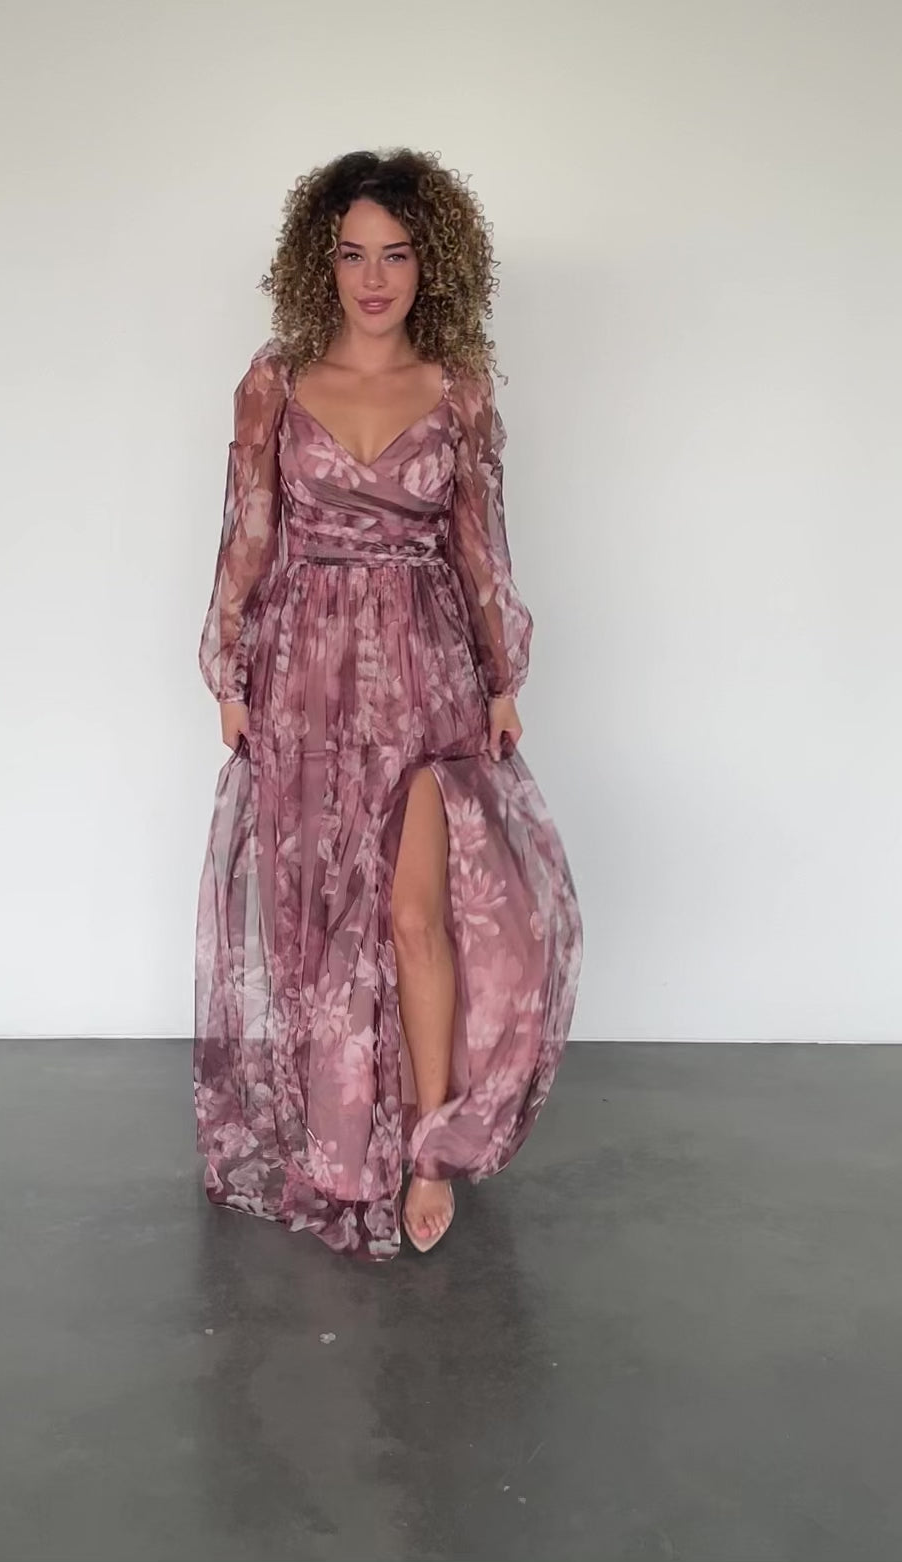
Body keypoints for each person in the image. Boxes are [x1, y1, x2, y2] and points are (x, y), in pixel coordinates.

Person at [194, 148, 583, 1260]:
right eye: (354, 254)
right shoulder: (275, 381)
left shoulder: (458, 388)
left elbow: (478, 541)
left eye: (397, 255)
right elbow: (248, 532)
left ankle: (428, 1151)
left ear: (430, 264)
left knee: (416, 916)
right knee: (320, 916)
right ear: (321, 262)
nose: (374, 278)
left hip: (424, 669)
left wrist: (501, 676)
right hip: (307, 675)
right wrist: (230, 670)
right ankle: (337, 1134)